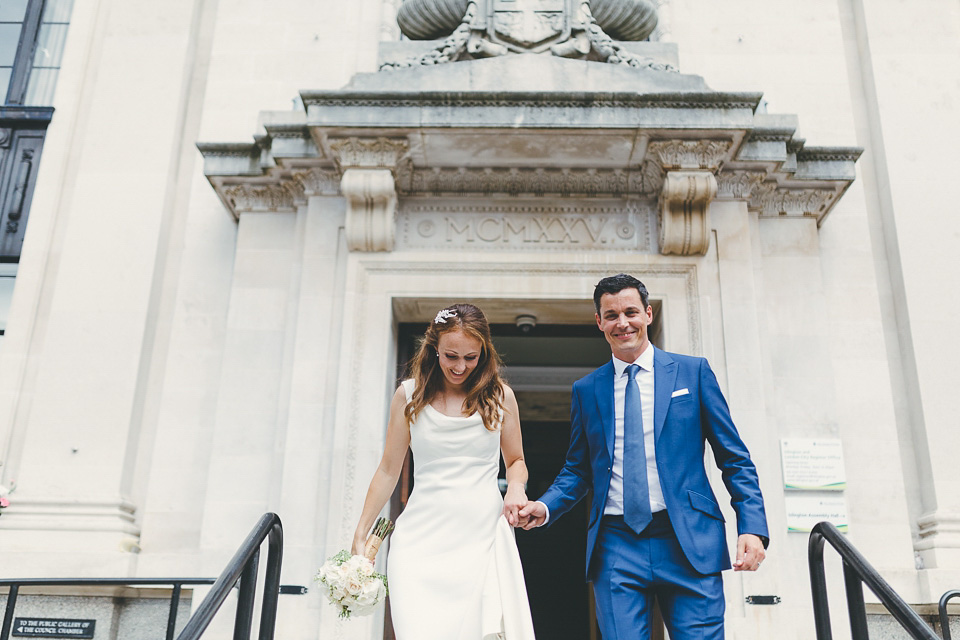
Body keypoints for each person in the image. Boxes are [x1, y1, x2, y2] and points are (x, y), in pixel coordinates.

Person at [518, 274, 768, 640]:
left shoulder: (692, 372)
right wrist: (547, 505)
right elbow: (578, 469)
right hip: (617, 544)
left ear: (648, 314)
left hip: (688, 540)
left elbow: (734, 457)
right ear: (599, 322)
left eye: (631, 312)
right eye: (612, 315)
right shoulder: (586, 390)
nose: (623, 323)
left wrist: (752, 526)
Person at [352, 303, 536, 640]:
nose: (460, 366)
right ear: (434, 347)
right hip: (419, 544)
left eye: (471, 357)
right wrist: (360, 535)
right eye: (451, 356)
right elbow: (388, 470)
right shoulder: (408, 395)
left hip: (480, 539)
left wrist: (516, 488)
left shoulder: (501, 396)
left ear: (484, 352)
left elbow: (516, 461)